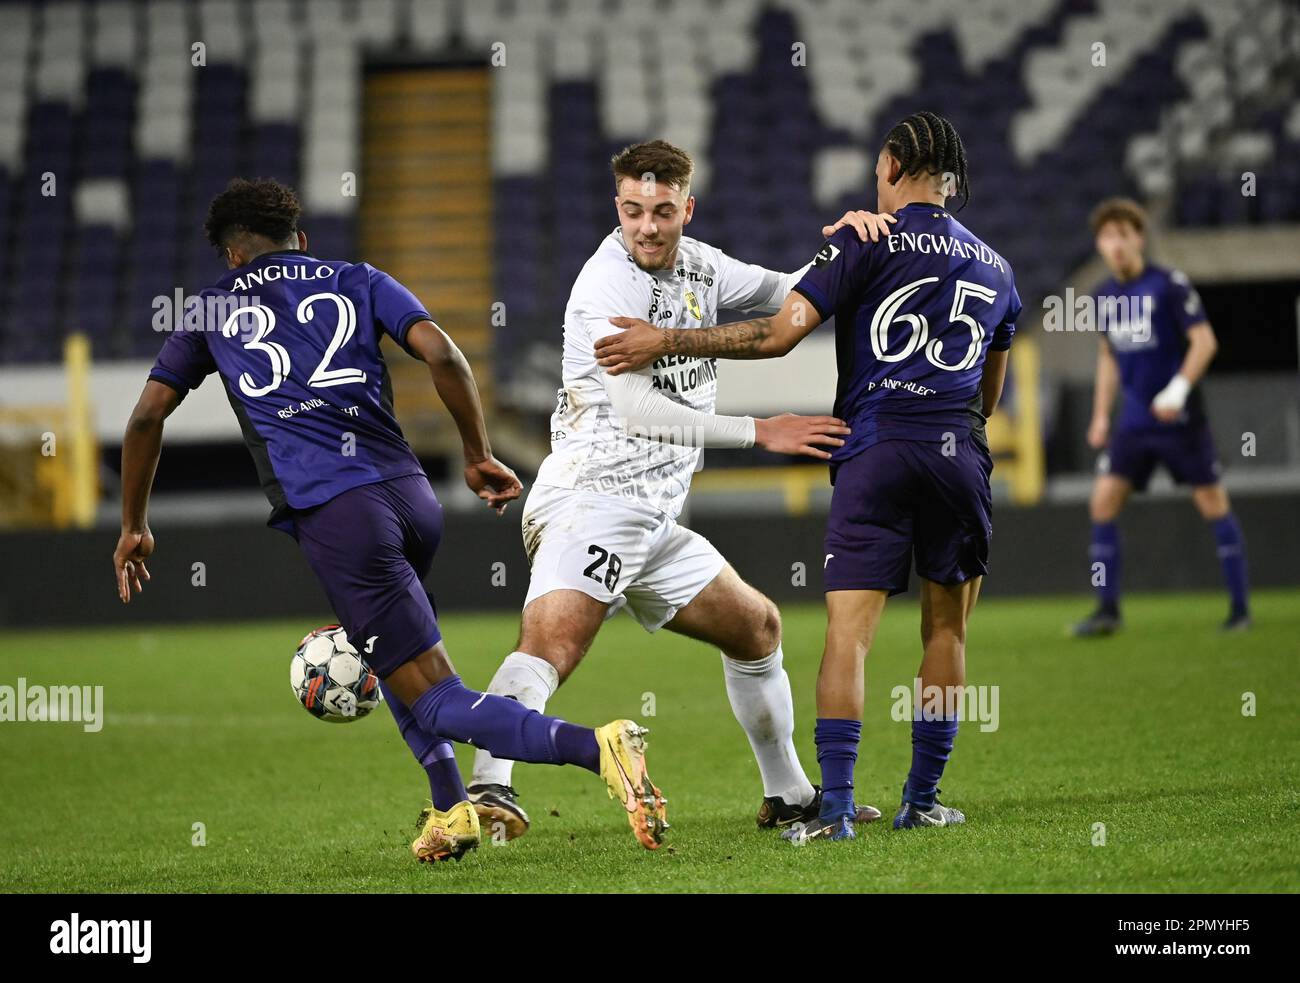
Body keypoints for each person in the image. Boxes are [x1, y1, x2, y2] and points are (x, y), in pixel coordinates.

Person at [113, 178, 667, 861]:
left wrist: (134, 522)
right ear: (301, 240)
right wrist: (476, 454)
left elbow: (145, 416)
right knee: (394, 654)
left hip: (339, 514)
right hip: (410, 496)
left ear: (232, 257)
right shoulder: (357, 278)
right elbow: (443, 354)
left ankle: (596, 746)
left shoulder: (211, 309)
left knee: (435, 697)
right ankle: (449, 808)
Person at [595, 112, 1020, 842]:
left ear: (889, 164)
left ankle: (836, 810)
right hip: (958, 452)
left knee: (848, 636)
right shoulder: (997, 266)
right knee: (946, 628)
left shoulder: (863, 242)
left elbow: (779, 330)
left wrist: (665, 339)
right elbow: (991, 393)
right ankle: (922, 800)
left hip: (875, 447)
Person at [466, 140, 883, 840]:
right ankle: (488, 788)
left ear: (686, 206)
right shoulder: (606, 285)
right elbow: (638, 412)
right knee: (552, 646)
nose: (648, 227)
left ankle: (788, 795)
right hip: (592, 497)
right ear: (618, 208)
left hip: (650, 518)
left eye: (662, 211)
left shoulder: (703, 264)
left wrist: (846, 246)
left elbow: (791, 292)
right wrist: (762, 432)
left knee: (757, 628)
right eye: (633, 211)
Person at [1072, 197, 1249, 636]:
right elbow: (1108, 357)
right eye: (1106, 236)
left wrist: (1178, 388)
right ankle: (1107, 610)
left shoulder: (1169, 284)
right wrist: (1099, 416)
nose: (1115, 245)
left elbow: (1204, 342)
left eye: (1122, 235)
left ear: (1139, 238)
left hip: (1180, 421)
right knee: (1103, 502)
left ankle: (1240, 610)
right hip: (1133, 422)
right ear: (1099, 243)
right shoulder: (1102, 296)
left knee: (1213, 504)